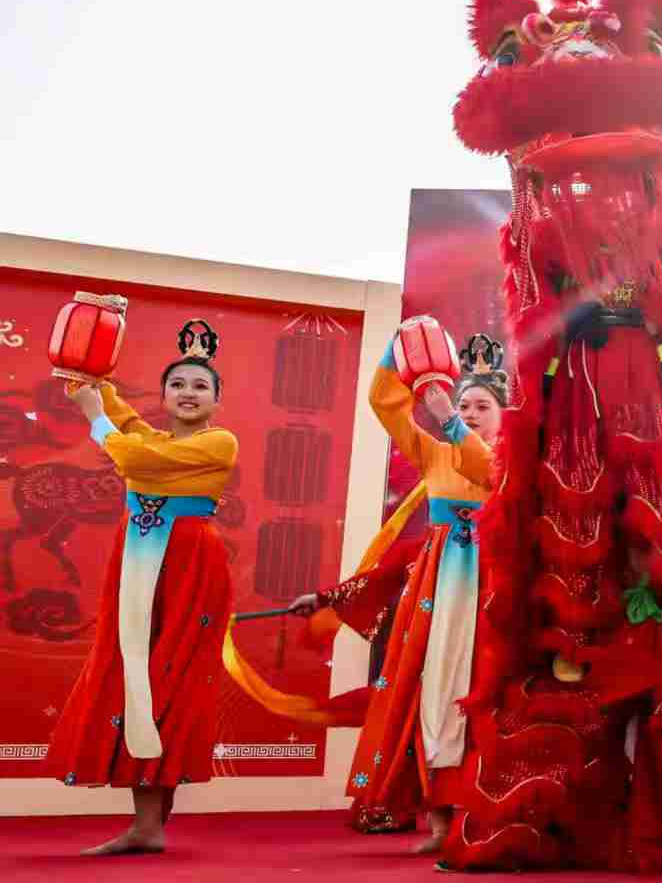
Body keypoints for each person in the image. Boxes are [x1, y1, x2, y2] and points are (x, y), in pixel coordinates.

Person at [287, 331, 501, 851]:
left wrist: (448, 419)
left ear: (504, 416)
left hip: (496, 587)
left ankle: (489, 818)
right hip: (440, 587)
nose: (469, 413)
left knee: (490, 693)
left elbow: (488, 471)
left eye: (482, 406)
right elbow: (387, 407)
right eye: (463, 404)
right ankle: (440, 823)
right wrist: (397, 350)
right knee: (432, 690)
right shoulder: (434, 455)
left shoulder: (515, 459)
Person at [45, 319, 239, 855]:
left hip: (188, 563)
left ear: (217, 399)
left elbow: (131, 456)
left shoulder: (219, 442)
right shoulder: (154, 437)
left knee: (166, 679)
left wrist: (94, 415)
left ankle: (149, 825)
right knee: (136, 675)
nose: (187, 392)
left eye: (200, 385)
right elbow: (123, 417)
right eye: (177, 384)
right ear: (163, 395)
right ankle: (148, 826)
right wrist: (95, 375)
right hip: (138, 554)